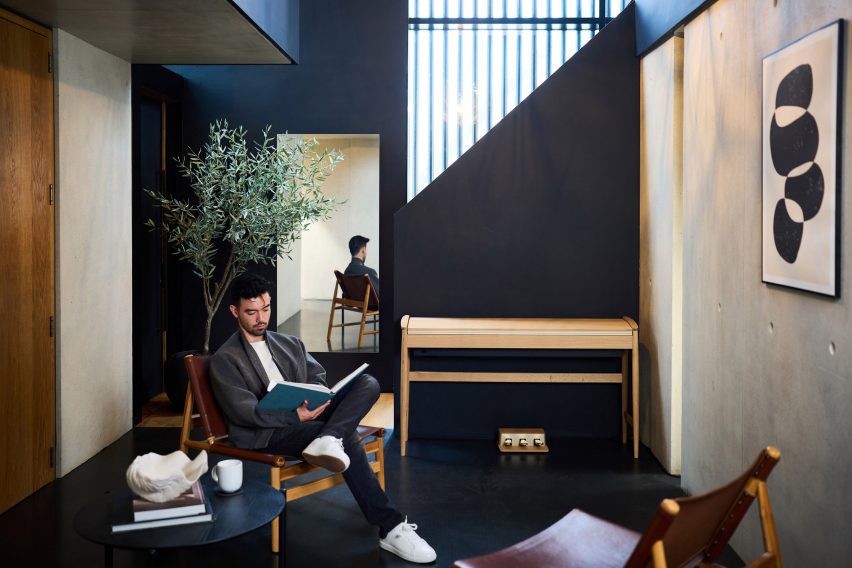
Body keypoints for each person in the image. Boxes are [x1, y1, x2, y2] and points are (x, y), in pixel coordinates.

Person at [209, 273, 436, 564]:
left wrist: (315, 396)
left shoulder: (288, 343)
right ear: (234, 311)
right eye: (251, 312)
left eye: (266, 308)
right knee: (347, 436)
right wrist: (295, 415)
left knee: (367, 382)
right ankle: (390, 527)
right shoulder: (226, 359)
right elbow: (245, 412)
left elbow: (316, 375)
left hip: (307, 411)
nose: (261, 318)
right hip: (269, 432)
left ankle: (329, 437)